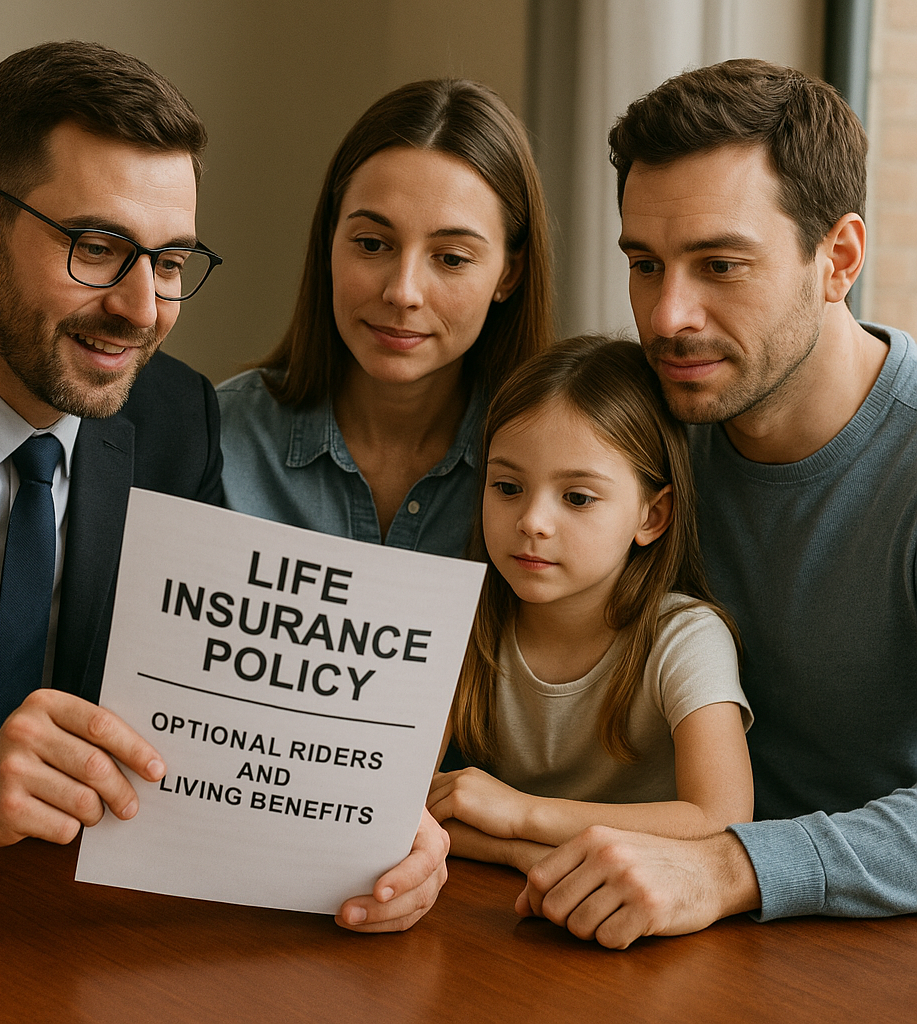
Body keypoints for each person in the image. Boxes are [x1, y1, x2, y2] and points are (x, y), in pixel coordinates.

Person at [0, 41, 447, 933]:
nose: (143, 309)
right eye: (98, 247)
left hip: (55, 935)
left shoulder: (175, 417)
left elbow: (208, 702)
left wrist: (367, 822)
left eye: (170, 261)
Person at [519, 58, 917, 948]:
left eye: (720, 265)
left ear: (838, 258)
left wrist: (735, 864)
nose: (665, 318)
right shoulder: (637, 439)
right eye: (645, 265)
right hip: (655, 920)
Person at [426, 336, 752, 873]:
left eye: (577, 497)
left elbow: (723, 819)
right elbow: (402, 807)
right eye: (507, 486)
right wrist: (517, 851)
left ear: (652, 516)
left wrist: (521, 816)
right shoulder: (459, 619)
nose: (532, 521)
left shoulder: (685, 637)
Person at [216, 78, 553, 558]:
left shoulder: (562, 476)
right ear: (329, 241)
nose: (403, 292)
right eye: (372, 244)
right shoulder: (216, 437)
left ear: (509, 275)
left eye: (452, 258)